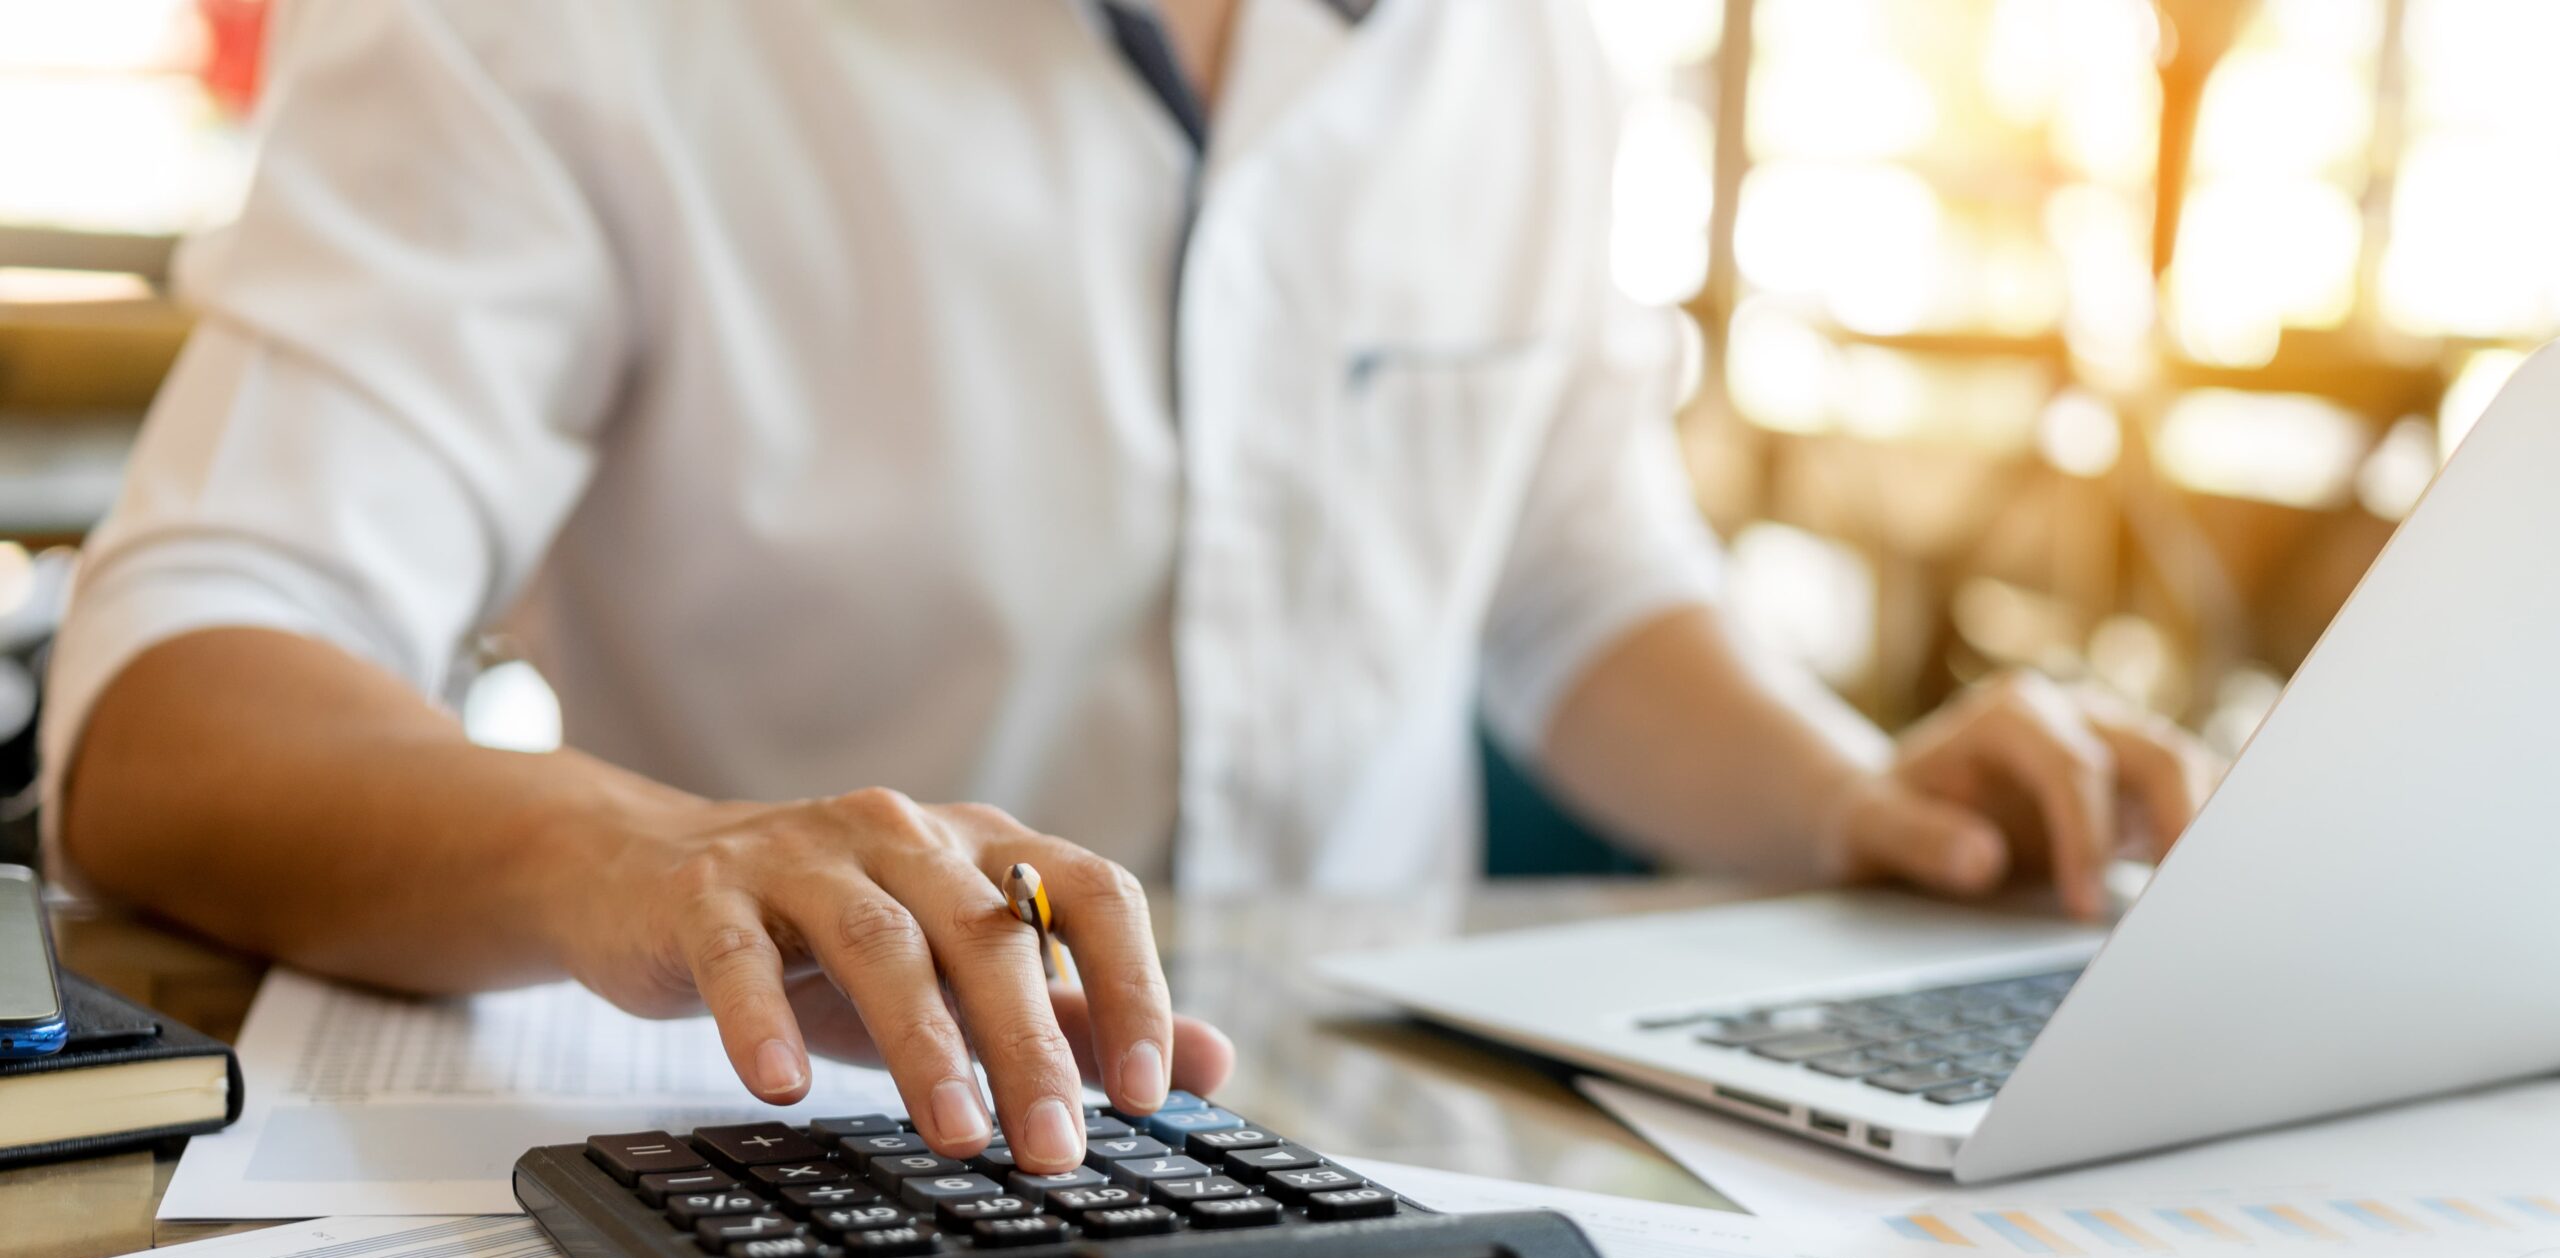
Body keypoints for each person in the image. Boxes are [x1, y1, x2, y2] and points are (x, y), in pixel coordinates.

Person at [43, 0, 2214, 1176]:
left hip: (1422, 1178)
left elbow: (1567, 573)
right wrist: (655, 846)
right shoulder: (548, 32)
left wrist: (1854, 804)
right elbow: (169, 706)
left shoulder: (1515, 50)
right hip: (827, 1154)